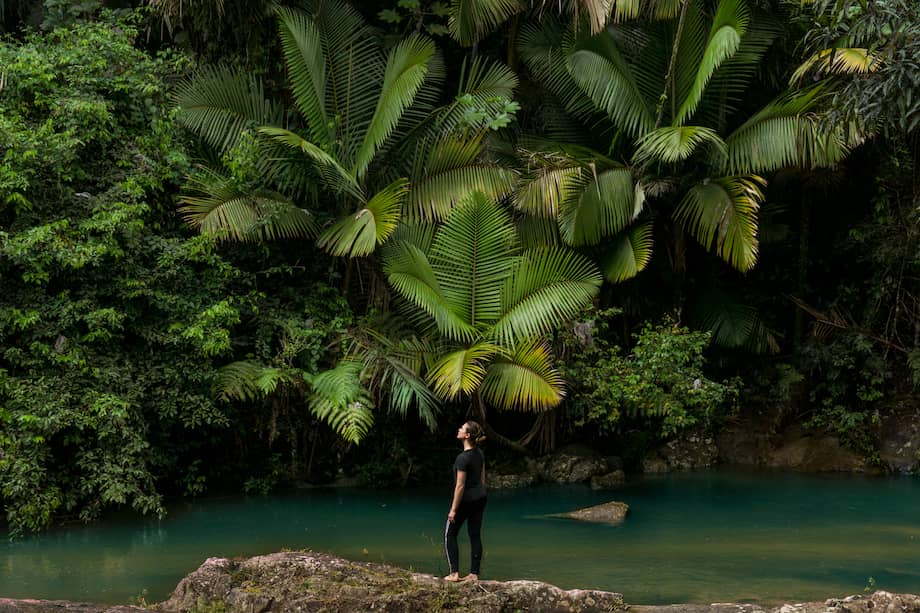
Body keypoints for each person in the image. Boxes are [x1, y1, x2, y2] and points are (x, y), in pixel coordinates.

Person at [443, 420, 487, 583]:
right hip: (480, 497)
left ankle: (454, 573)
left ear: (467, 435)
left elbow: (460, 486)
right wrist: (481, 491)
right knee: (475, 534)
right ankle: (474, 574)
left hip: (466, 499)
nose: (459, 429)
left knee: (450, 534)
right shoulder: (479, 453)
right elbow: (482, 478)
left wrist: (453, 509)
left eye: (462, 428)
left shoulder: (462, 458)